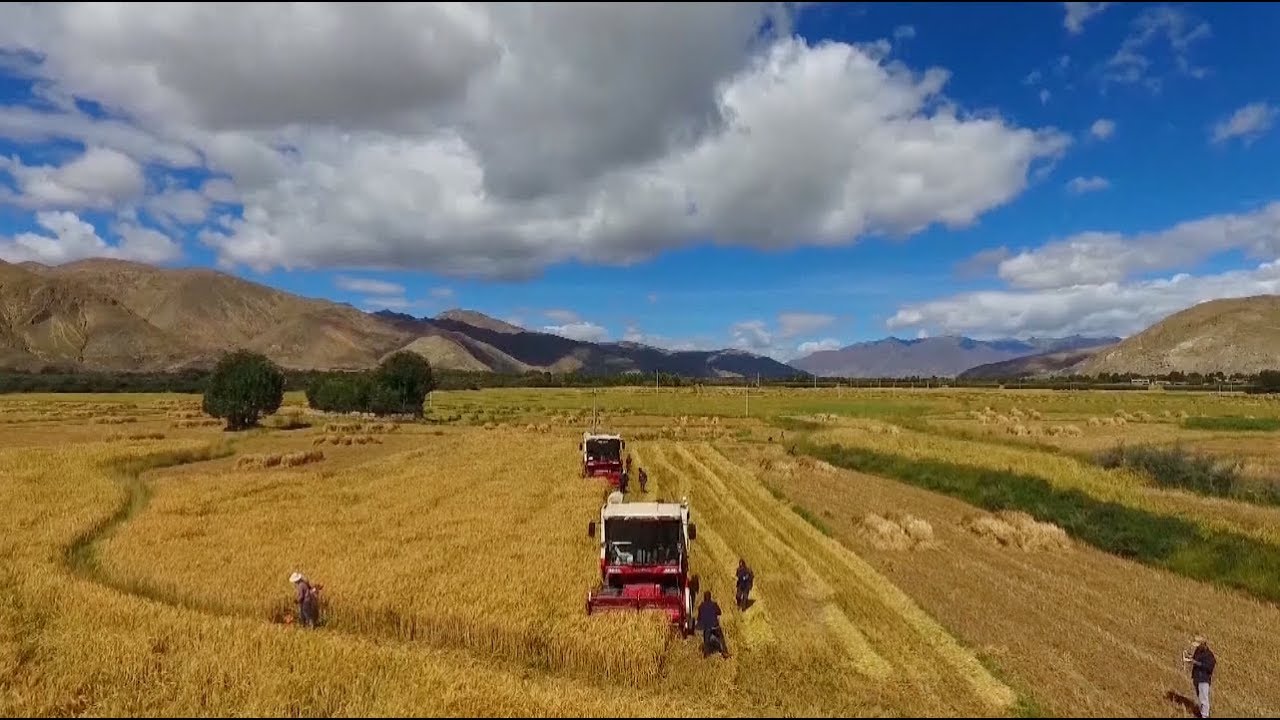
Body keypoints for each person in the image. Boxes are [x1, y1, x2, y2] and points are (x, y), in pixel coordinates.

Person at [1184, 635, 1216, 717]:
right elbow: (1195, 659)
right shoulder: (1198, 651)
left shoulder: (1209, 655)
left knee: (1204, 699)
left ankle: (1205, 715)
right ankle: (1202, 713)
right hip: (1197, 678)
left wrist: (1195, 662)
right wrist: (1190, 658)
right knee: (1200, 697)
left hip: (1204, 679)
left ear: (1203, 644)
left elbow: (1209, 667)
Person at [696, 590, 728, 658]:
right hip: (715, 625)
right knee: (721, 638)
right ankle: (725, 652)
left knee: (706, 640)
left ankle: (706, 654)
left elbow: (698, 618)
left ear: (704, 598)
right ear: (710, 597)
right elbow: (719, 612)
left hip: (707, 627)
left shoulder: (701, 606)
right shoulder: (714, 604)